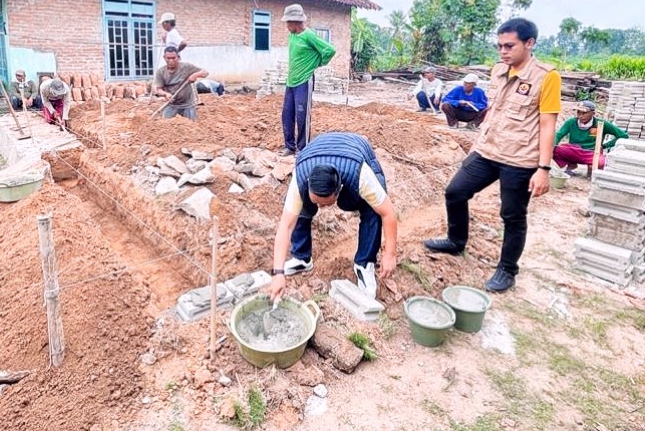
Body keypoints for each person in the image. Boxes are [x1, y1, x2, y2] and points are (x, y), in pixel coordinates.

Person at [424, 18, 561, 293]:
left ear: (529, 43)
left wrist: (543, 169)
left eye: (509, 45)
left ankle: (507, 269)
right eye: (499, 46)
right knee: (455, 191)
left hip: (521, 159)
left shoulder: (547, 77)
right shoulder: (499, 71)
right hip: (488, 151)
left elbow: (548, 125)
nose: (503, 51)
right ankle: (456, 240)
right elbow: (494, 113)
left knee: (512, 215)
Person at [269, 133, 398, 302]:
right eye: (317, 202)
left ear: (339, 190)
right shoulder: (300, 178)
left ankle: (364, 263)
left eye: (325, 204)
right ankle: (302, 257)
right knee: (298, 207)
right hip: (316, 152)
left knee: (372, 209)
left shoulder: (361, 176)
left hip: (356, 153)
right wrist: (278, 272)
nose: (321, 208)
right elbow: (285, 226)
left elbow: (388, 213)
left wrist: (390, 255)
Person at [280, 3, 336, 156]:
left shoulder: (309, 35)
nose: (286, 25)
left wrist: (317, 63)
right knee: (287, 114)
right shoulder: (292, 35)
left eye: (287, 22)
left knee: (302, 115)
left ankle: (302, 148)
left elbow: (329, 50)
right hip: (291, 81)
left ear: (295, 22)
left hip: (304, 81)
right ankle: (289, 146)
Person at [553, 100, 628, 172]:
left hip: (591, 152)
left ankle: (591, 169)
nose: (581, 116)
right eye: (578, 112)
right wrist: (553, 145)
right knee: (551, 150)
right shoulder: (571, 122)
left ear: (593, 113)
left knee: (600, 163)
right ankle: (571, 165)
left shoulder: (601, 124)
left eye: (584, 113)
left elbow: (623, 136)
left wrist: (605, 146)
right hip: (574, 150)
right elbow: (559, 134)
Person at [153, 46, 208, 120]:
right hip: (172, 104)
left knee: (191, 126)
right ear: (164, 58)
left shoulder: (186, 67)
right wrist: (166, 94)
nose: (171, 61)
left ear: (178, 57)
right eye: (168, 58)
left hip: (187, 105)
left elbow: (205, 73)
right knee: (166, 125)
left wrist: (195, 75)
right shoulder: (161, 72)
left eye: (173, 58)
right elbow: (159, 90)